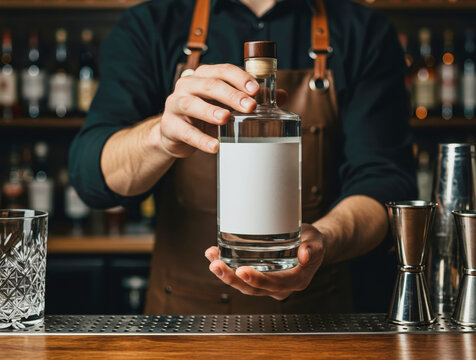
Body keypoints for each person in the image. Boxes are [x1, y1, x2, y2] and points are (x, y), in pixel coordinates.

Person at [69, 0, 417, 314]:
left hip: (319, 321)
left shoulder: (362, 30)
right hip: (182, 326)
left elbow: (385, 182)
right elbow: (91, 177)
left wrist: (321, 241)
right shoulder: (150, 24)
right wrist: (160, 136)